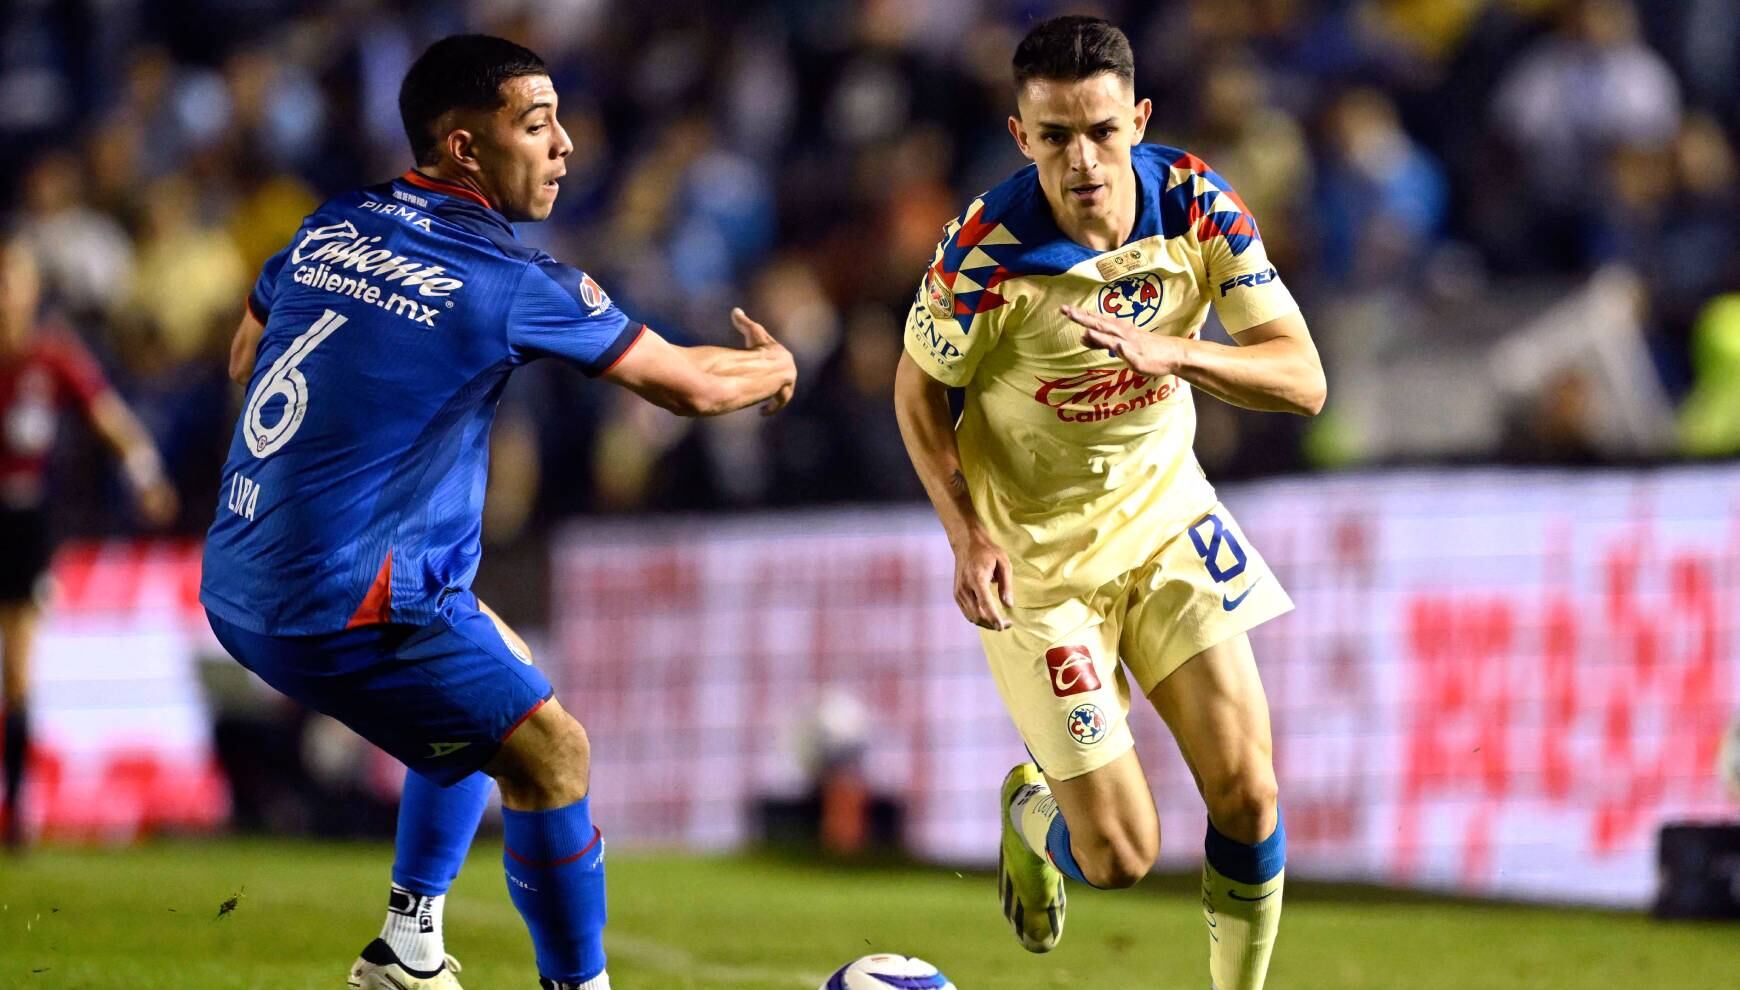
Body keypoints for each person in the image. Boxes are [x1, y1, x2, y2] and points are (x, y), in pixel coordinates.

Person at [200, 35, 795, 990]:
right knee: (553, 754)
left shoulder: (332, 222)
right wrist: (776, 364)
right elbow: (687, 386)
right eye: (536, 124)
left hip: (236, 577)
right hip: (341, 603)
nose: (564, 146)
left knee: (491, 683)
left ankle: (410, 939)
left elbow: (242, 360)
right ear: (465, 148)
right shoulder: (509, 282)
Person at [892, 16, 1324, 990]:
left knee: (1249, 792)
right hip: (1037, 568)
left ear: (1139, 118)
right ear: (1021, 135)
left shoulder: (1199, 206)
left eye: (1100, 131)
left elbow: (1302, 379)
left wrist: (1179, 354)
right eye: (1055, 137)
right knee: (1124, 857)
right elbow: (915, 392)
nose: (1081, 160)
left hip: (1167, 521)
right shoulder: (985, 254)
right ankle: (1033, 813)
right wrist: (963, 535)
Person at [0, 237, 177, 849]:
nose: (5, 297)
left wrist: (146, 474)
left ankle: (16, 812)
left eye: (12, 283)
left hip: (23, 520)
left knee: (19, 673)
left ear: (29, 291)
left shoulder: (51, 359)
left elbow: (109, 419)